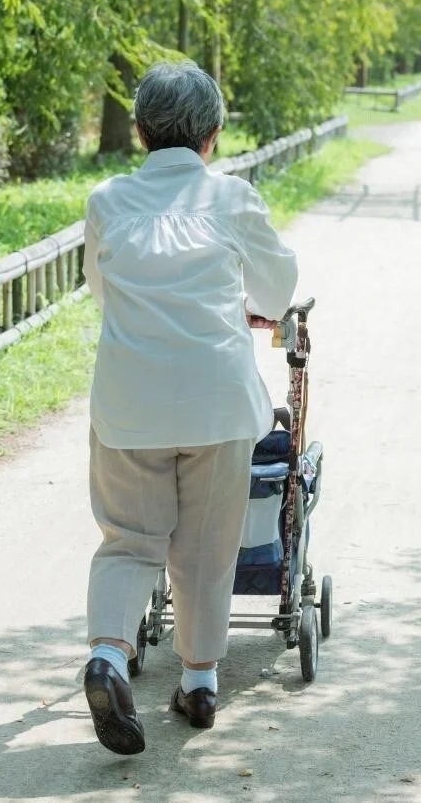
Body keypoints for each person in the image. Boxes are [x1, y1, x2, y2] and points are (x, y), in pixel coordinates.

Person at [80, 61, 299, 755]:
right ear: (214, 134)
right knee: (206, 552)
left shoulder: (107, 200)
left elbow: (102, 293)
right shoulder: (232, 200)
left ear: (140, 131)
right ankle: (200, 682)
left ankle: (109, 659)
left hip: (129, 404)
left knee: (128, 540)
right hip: (217, 405)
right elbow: (277, 288)